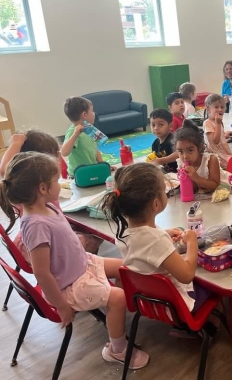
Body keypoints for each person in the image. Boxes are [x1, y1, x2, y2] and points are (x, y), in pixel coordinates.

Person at [0, 152, 149, 370]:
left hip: (81, 264)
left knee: (127, 266)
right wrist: (61, 305)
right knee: (118, 298)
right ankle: (117, 350)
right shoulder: (35, 225)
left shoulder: (47, 206)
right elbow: (41, 273)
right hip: (69, 285)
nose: (60, 182)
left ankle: (112, 305)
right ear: (43, 189)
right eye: (56, 180)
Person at [101, 163, 216, 337]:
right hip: (174, 305)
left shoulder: (122, 232)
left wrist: (164, 233)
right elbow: (186, 275)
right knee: (215, 284)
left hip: (146, 300)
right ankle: (200, 328)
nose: (167, 193)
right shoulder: (156, 239)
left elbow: (144, 242)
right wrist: (192, 242)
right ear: (156, 204)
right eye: (164, 190)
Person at [0, 130, 103, 260]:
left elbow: (5, 170)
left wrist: (16, 143)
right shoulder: (32, 189)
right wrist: (16, 142)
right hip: (46, 247)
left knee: (86, 228)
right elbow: (4, 169)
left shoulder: (20, 185)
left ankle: (85, 265)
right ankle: (83, 266)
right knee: (95, 235)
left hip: (39, 238)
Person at [60, 97, 107, 177]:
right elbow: (64, 152)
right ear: (84, 115)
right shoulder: (73, 131)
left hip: (92, 170)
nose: (94, 114)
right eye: (92, 111)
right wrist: (75, 135)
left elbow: (95, 149)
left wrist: (103, 166)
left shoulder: (90, 129)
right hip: (78, 174)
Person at [175, 120, 221, 193]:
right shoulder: (181, 164)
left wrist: (196, 178)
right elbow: (194, 189)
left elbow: (215, 186)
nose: (185, 156)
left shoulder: (210, 160)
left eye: (190, 151)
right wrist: (186, 178)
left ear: (199, 147)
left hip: (222, 192)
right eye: (181, 152)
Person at [202, 94, 232, 169]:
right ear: (208, 109)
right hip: (216, 154)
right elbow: (215, 141)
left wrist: (225, 135)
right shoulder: (207, 123)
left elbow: (218, 135)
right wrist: (218, 124)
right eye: (216, 107)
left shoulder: (218, 121)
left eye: (222, 107)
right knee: (230, 164)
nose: (220, 109)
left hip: (223, 149)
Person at [149, 109, 179, 173]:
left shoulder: (173, 140)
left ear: (170, 126)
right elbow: (154, 158)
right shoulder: (155, 143)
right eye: (153, 125)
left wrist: (162, 160)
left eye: (161, 124)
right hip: (164, 173)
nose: (156, 128)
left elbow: (179, 153)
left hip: (177, 173)